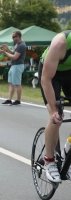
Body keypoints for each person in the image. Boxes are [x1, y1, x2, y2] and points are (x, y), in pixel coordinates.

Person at [38, 30, 71, 182]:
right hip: (51, 75)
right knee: (56, 118)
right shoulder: (61, 43)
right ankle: (49, 161)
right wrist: (54, 110)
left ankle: (67, 149)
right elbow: (46, 79)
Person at [0, 30, 26, 105]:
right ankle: (9, 99)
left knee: (17, 83)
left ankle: (18, 100)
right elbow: (14, 53)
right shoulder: (17, 44)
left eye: (13, 37)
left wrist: (4, 52)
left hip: (18, 65)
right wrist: (7, 49)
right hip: (14, 65)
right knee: (11, 83)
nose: (12, 38)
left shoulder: (21, 45)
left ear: (18, 36)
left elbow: (15, 57)